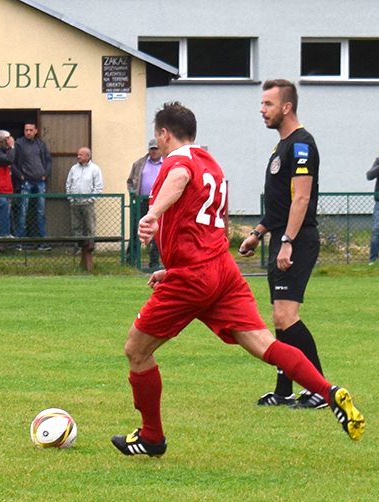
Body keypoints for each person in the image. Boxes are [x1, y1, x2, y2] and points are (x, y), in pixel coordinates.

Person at [110, 101, 365, 458]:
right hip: (221, 271)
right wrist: (172, 266)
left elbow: (179, 177)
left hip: (194, 277)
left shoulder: (177, 161)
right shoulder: (211, 163)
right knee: (264, 345)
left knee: (136, 351)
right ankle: (327, 390)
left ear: (165, 135)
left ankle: (151, 436)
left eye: (158, 138)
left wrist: (152, 215)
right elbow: (203, 224)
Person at [239, 79, 327, 410]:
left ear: (287, 107)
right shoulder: (282, 146)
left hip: (298, 239)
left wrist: (287, 241)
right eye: (262, 104)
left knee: (286, 316)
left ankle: (320, 389)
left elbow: (301, 199)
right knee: (279, 319)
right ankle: (283, 390)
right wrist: (258, 233)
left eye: (268, 104)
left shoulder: (302, 145)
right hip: (281, 237)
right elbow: (279, 204)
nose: (262, 110)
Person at [14, 121, 53, 250]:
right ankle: (19, 242)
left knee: (40, 212)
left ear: (36, 131)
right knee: (23, 212)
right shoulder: (19, 144)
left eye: (31, 130)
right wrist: (21, 176)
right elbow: (12, 163)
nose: (28, 132)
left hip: (40, 181)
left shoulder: (40, 144)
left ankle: (42, 242)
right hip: (26, 182)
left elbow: (48, 160)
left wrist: (45, 174)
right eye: (26, 130)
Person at [127, 138, 163, 269]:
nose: (154, 152)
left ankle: (154, 261)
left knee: (157, 232)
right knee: (137, 228)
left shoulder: (166, 164)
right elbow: (130, 181)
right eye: (152, 149)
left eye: (156, 149)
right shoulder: (139, 164)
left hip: (158, 202)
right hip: (142, 201)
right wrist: (133, 193)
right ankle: (131, 259)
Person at [65, 147, 103, 242]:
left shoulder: (95, 169)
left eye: (81, 155)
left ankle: (90, 247)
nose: (78, 156)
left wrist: (90, 200)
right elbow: (68, 184)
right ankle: (78, 248)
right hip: (75, 203)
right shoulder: (74, 169)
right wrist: (70, 198)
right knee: (76, 226)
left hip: (88, 204)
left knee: (90, 226)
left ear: (88, 156)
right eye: (78, 154)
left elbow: (98, 186)